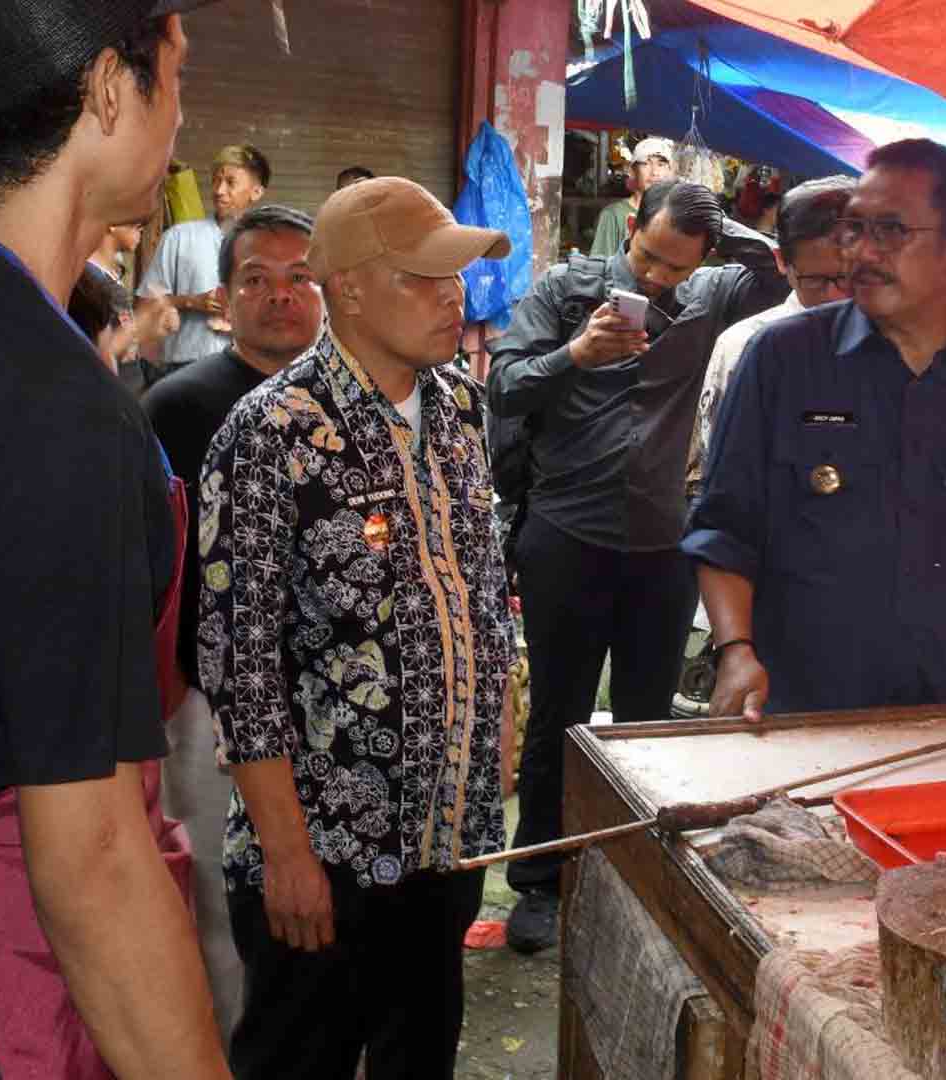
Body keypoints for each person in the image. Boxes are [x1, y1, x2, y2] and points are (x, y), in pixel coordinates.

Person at [0, 3, 227, 1077]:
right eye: (177, 76)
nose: (180, 118)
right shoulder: (57, 409)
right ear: (111, 89)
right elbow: (95, 859)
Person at [197, 177, 515, 1078]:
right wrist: (286, 855)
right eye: (425, 277)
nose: (454, 296)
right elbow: (240, 668)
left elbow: (485, 589)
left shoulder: (460, 407)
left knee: (421, 1056)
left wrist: (496, 737)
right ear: (349, 289)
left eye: (456, 276)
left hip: (447, 841)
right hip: (325, 854)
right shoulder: (271, 434)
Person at [488, 178, 784, 954]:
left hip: (662, 548)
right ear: (630, 230)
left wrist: (721, 226)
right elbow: (504, 386)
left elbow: (779, 272)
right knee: (560, 716)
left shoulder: (713, 295)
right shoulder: (566, 290)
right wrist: (574, 355)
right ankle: (540, 881)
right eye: (649, 257)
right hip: (564, 536)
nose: (655, 279)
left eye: (677, 267)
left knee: (647, 722)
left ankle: (631, 870)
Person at [688, 135, 946, 712]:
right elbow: (725, 525)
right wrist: (737, 650)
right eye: (854, 229)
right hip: (805, 703)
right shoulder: (781, 359)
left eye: (891, 231)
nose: (863, 252)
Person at [142, 203, 322, 1042]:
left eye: (300, 278)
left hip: (338, 712)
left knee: (333, 909)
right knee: (222, 901)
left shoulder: (356, 401)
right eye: (257, 279)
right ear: (223, 297)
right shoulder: (175, 407)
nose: (280, 295)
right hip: (210, 711)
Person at [687, 175, 855, 501]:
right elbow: (714, 479)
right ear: (781, 260)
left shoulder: (902, 342)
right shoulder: (743, 346)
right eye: (816, 280)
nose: (836, 296)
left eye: (849, 278)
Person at [139, 142, 271, 377]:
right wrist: (191, 302)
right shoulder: (178, 238)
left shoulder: (271, 248)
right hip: (184, 370)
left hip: (250, 371)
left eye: (230, 182)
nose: (219, 190)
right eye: (216, 181)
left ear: (256, 192)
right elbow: (144, 306)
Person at [589, 136, 672, 257]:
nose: (655, 172)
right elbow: (599, 263)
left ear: (669, 172)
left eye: (661, 164)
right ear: (632, 171)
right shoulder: (613, 215)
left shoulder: (675, 214)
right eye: (646, 164)